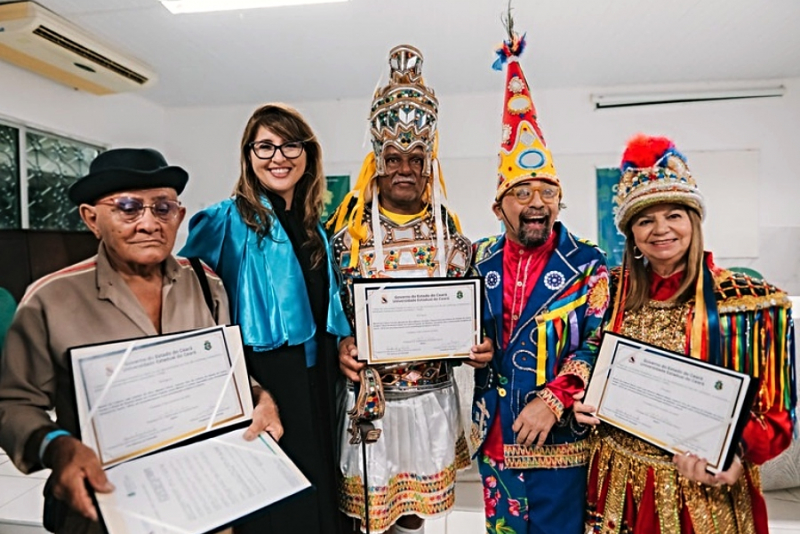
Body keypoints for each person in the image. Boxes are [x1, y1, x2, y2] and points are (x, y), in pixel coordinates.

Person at [0, 148, 281, 534]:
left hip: (205, 496)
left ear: (179, 216)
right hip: (106, 506)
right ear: (91, 218)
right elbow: (14, 404)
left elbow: (228, 375)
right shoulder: (50, 299)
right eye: (128, 208)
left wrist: (260, 399)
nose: (149, 223)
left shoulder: (207, 284)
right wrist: (56, 446)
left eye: (162, 207)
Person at [575, 134, 796, 534]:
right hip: (616, 491)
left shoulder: (747, 303)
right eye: (645, 219)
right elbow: (585, 367)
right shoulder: (607, 294)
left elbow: (777, 417)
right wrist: (580, 402)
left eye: (674, 215)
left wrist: (734, 453)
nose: (661, 229)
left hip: (702, 497)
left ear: (693, 221)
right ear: (632, 234)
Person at [327, 44, 493, 534]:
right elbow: (332, 316)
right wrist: (341, 346)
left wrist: (479, 348)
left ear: (429, 163)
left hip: (428, 400)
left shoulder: (454, 241)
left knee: (414, 515)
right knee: (366, 516)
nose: (404, 168)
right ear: (378, 161)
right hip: (372, 401)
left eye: (416, 158)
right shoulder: (347, 239)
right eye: (394, 157)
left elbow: (471, 320)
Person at [179, 103, 352, 534]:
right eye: (265, 146)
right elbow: (188, 297)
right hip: (265, 377)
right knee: (277, 500)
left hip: (321, 374)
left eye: (290, 145)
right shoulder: (223, 220)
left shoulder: (317, 227)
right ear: (248, 155)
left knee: (322, 486)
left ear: (308, 154)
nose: (279, 157)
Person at [468, 23, 610, 534]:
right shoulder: (478, 261)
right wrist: (477, 344)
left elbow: (601, 341)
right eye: (523, 191)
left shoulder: (588, 264)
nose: (537, 203)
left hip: (561, 439)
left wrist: (554, 399)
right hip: (495, 434)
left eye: (547, 192)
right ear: (499, 205)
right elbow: (469, 328)